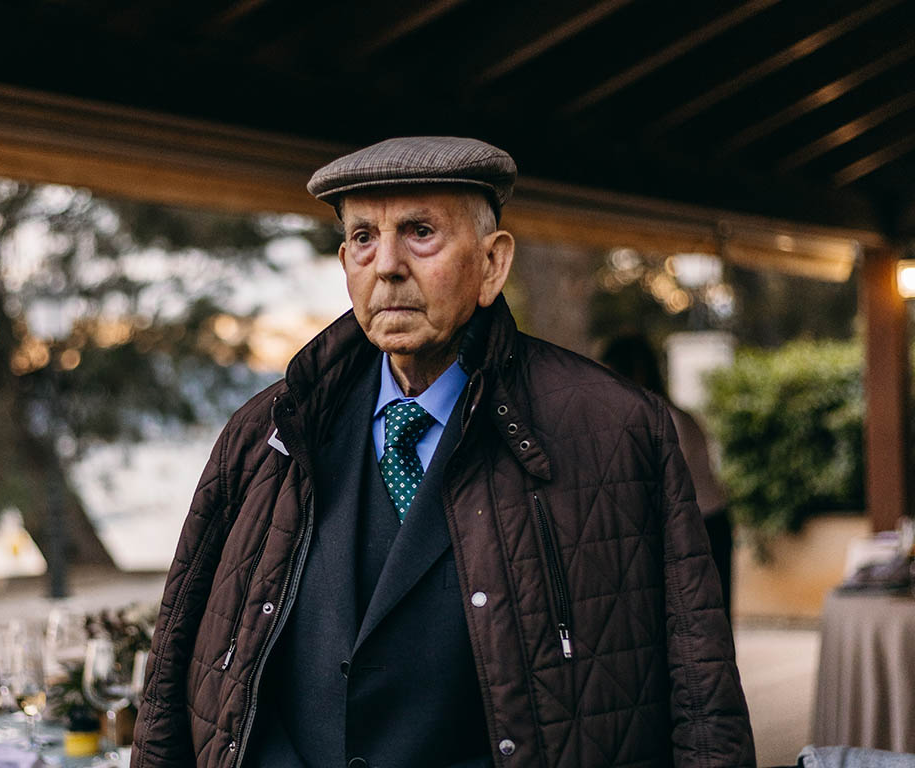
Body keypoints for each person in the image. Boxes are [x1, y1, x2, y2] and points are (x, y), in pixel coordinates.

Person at [131, 137, 755, 768]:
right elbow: (174, 668)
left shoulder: (618, 428)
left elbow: (702, 690)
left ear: (493, 263)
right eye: (364, 238)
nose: (387, 265)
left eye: (420, 231)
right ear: (345, 260)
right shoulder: (261, 433)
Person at [600, 334, 735, 620]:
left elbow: (660, 487)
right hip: (701, 522)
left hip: (700, 526)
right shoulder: (663, 416)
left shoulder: (664, 419)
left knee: (705, 620)